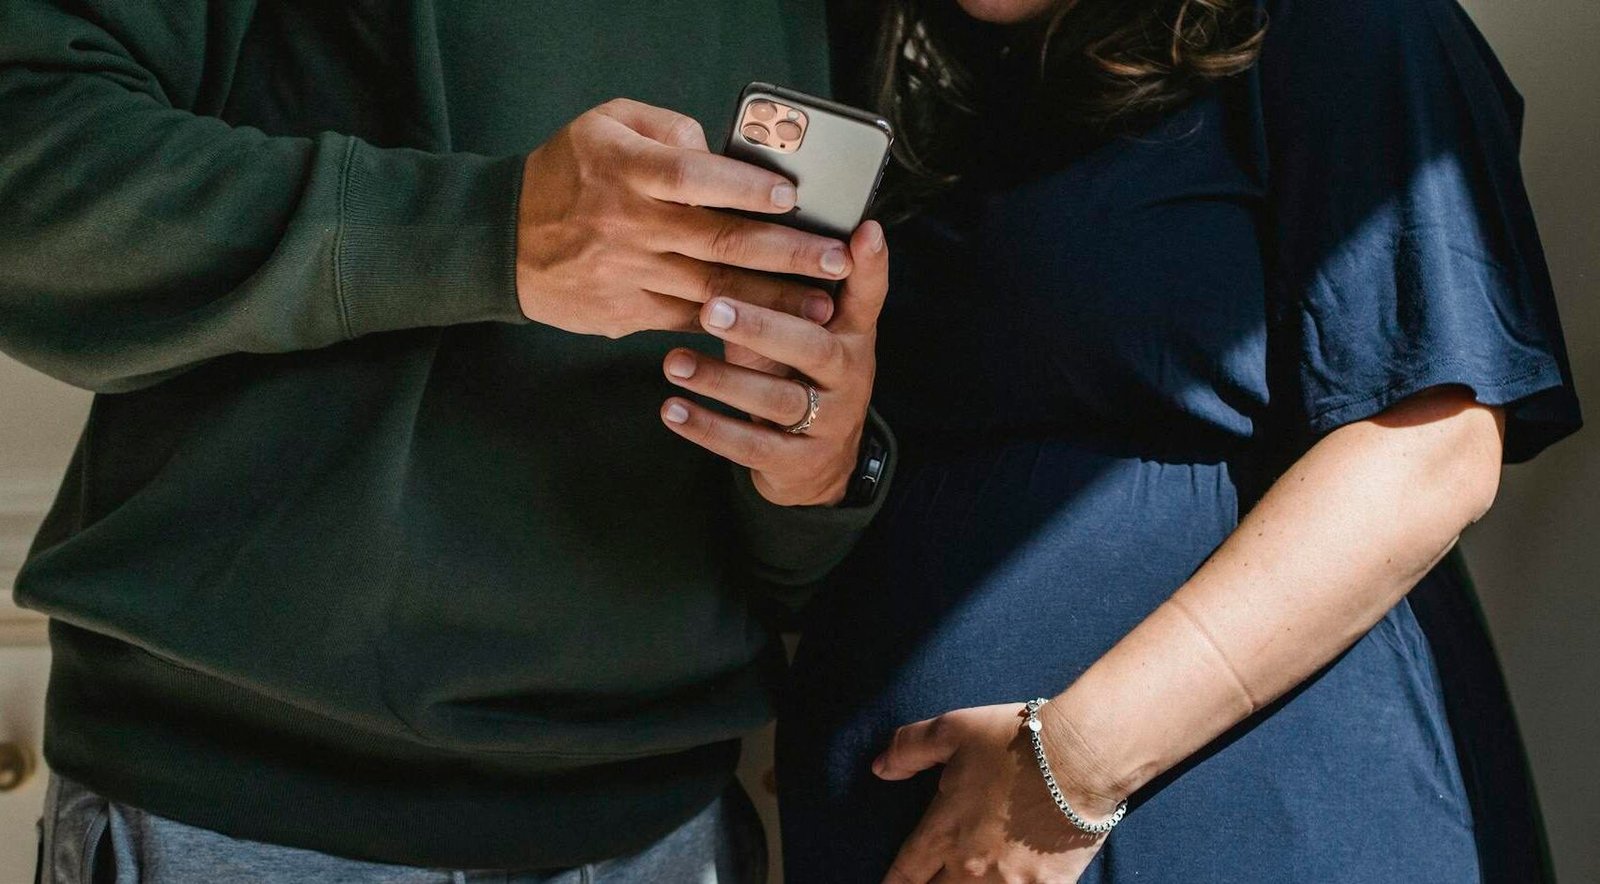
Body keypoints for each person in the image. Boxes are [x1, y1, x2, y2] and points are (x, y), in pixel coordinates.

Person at [0, 2, 894, 881]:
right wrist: (483, 231)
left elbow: (807, 552)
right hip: (237, 812)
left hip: (666, 821)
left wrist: (817, 471)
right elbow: (28, 168)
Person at [778, 0, 1582, 881]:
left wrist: (1071, 767)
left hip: (1251, 819)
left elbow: (1431, 451)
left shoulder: (1341, 24)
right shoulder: (848, 50)